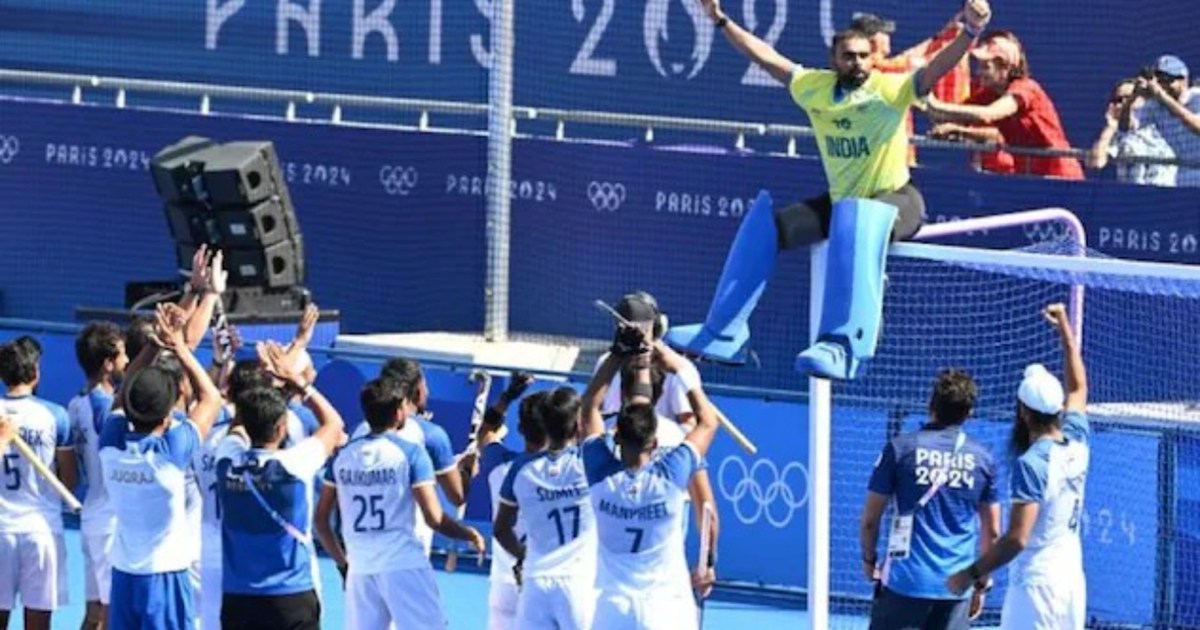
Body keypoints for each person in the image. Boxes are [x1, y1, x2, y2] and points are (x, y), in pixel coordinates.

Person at [665, 0, 992, 381]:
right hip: (845, 202)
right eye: (847, 56)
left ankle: (844, 344)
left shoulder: (890, 90)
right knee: (766, 227)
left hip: (899, 200)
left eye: (863, 56)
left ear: (873, 60)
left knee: (855, 221)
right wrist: (720, 21)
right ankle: (724, 332)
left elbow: (936, 67)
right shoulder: (814, 89)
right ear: (834, 59)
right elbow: (767, 58)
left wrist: (970, 31)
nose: (856, 62)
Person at [947, 303, 1089, 630]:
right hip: (1071, 583)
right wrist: (1065, 331)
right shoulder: (1078, 441)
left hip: (1036, 590)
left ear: (1024, 414)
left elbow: (1017, 539)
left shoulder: (1032, 463)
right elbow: (1078, 388)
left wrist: (969, 575)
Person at [314, 377, 483, 630]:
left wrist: (343, 562)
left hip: (361, 568)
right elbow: (434, 518)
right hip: (403, 564)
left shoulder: (343, 457)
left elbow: (321, 520)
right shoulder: (411, 454)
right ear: (398, 412)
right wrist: (467, 533)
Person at [581, 333, 720, 629]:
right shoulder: (672, 473)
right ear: (654, 443)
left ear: (616, 436)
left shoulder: (599, 472)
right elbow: (708, 422)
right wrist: (681, 368)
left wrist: (616, 354)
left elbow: (588, 410)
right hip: (666, 608)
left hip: (612, 610)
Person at [99, 304, 222, 630]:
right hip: (165, 576)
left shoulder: (110, 446)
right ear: (168, 415)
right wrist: (179, 346)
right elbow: (211, 398)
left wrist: (154, 344)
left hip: (124, 574)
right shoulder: (170, 454)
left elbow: (120, 398)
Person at [214, 342, 345, 630]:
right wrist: (296, 382)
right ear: (281, 428)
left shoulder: (226, 462)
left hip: (239, 597)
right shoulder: (294, 465)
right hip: (291, 597)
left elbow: (238, 423)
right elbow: (334, 423)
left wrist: (253, 389)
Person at [860, 369, 1001, 630]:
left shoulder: (901, 449)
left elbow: (870, 520)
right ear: (969, 413)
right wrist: (982, 583)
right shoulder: (983, 459)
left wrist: (869, 560)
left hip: (904, 582)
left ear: (931, 405)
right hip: (956, 587)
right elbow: (992, 532)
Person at [493, 387, 597, 630]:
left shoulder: (521, 468)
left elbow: (500, 529)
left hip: (536, 581)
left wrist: (523, 555)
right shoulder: (588, 462)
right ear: (577, 426)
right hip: (578, 582)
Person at [924, 31, 1084, 180]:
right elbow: (945, 117)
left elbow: (989, 113)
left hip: (1060, 177)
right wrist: (922, 93)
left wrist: (936, 106)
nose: (979, 72)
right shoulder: (988, 95)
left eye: (986, 67)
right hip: (1027, 179)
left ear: (1006, 67)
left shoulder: (1027, 88)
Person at [347, 357, 464, 557]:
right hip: (407, 555)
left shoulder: (357, 433)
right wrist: (467, 470)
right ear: (418, 390)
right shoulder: (431, 436)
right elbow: (457, 496)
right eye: (425, 385)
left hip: (360, 556)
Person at [0, 338, 78, 630]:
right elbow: (69, 479)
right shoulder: (55, 416)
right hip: (41, 529)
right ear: (35, 372)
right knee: (38, 623)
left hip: (1, 529)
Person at [70, 322, 128, 630]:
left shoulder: (76, 402)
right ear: (108, 364)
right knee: (109, 612)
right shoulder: (106, 407)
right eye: (122, 355)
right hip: (109, 519)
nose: (127, 361)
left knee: (94, 612)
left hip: (92, 514)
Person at [478, 387, 545, 630]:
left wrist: (505, 399)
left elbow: (485, 434)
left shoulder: (498, 463)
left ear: (520, 430)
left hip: (504, 583)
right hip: (544, 582)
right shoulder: (570, 473)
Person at [1087, 78, 1177, 186]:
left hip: (1168, 195)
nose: (1125, 103)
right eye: (1119, 100)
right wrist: (1110, 127)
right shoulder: (1117, 136)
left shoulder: (1163, 126)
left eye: (1130, 97)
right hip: (1135, 196)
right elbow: (1096, 163)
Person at [1131, 54, 1200, 186]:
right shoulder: (1155, 106)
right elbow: (1127, 126)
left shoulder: (1197, 96)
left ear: (1183, 81)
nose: (1163, 85)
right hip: (1185, 175)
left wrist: (1162, 96)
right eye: (1159, 80)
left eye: (1168, 80)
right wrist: (1133, 98)